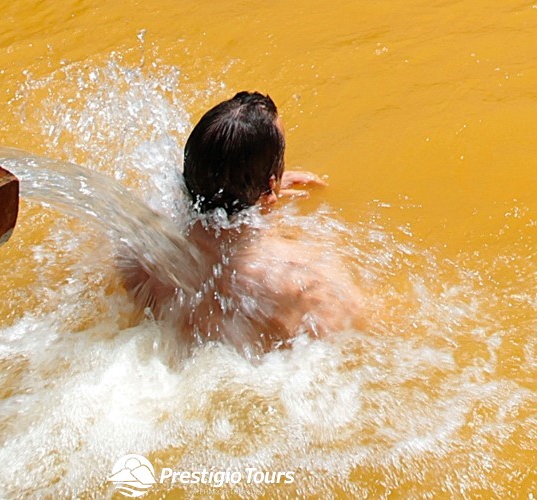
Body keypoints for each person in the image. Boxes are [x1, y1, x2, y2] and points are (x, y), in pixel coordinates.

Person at [119, 91, 361, 358]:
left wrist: (260, 195)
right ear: (270, 187)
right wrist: (265, 198)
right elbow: (365, 334)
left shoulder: (138, 253)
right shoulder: (307, 280)